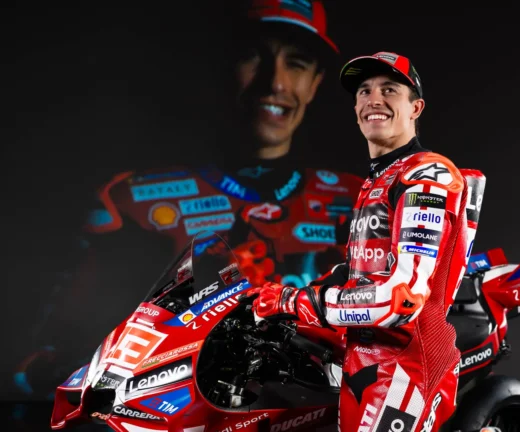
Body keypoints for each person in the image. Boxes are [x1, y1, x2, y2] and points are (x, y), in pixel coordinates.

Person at [14, 0, 364, 400]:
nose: (275, 83)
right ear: (221, 65)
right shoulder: (130, 203)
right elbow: (49, 365)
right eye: (253, 56)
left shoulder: (359, 198)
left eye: (297, 64)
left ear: (315, 84)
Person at [250, 51, 470, 432]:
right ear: (355, 109)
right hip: (362, 357)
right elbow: (359, 272)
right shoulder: (378, 179)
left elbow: (402, 297)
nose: (374, 99)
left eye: (389, 90)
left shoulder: (427, 174)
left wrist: (299, 303)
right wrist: (280, 295)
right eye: (364, 91)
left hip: (407, 364)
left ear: (415, 108)